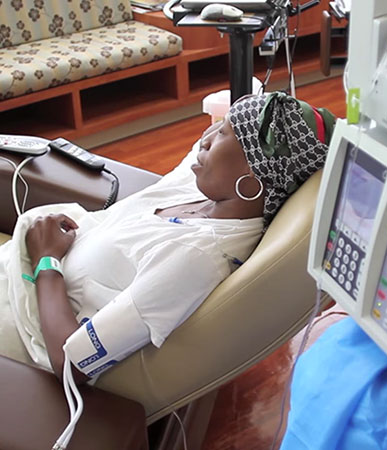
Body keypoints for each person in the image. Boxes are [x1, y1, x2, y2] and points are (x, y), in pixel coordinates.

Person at [0, 92, 336, 386]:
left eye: (222, 133)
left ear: (251, 178)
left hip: (19, 329)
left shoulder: (192, 259)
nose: (204, 138)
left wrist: (46, 260)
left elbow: (69, 363)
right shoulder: (206, 189)